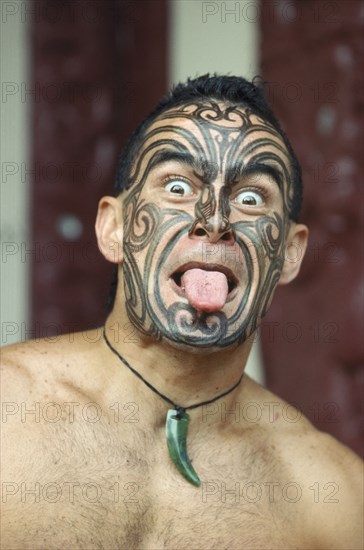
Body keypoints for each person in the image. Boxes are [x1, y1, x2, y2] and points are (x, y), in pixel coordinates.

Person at [1, 74, 362, 549]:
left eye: (251, 199)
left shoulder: (334, 498)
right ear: (113, 227)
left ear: (290, 254)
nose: (214, 221)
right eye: (176, 187)